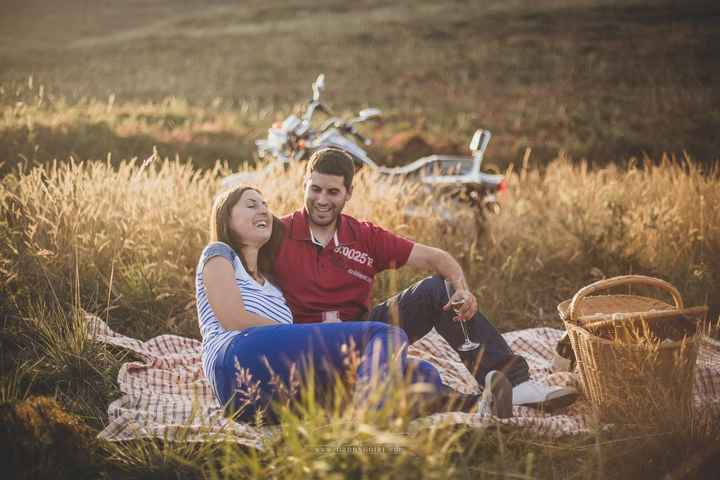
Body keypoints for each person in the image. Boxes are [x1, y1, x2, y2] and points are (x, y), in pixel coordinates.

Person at [273, 148, 576, 411]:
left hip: (365, 335)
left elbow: (438, 259)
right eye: (315, 189)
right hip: (303, 344)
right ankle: (470, 403)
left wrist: (462, 290)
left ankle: (514, 384)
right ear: (305, 184)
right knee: (407, 383)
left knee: (437, 290)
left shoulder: (363, 235)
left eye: (332, 192)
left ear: (349, 193)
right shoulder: (276, 234)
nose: (321, 200)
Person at [196, 184, 510, 425]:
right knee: (384, 335)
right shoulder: (220, 253)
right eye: (251, 205)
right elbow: (233, 318)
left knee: (418, 372)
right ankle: (369, 418)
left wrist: (319, 341)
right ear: (226, 216)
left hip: (260, 400)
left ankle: (477, 404)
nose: (263, 210)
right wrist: (318, 337)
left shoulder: (273, 285)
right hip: (235, 360)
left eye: (265, 204)